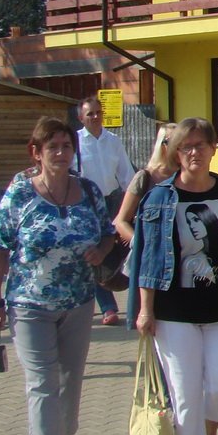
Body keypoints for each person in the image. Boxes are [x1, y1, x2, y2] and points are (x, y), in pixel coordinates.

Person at [0, 117, 117, 435]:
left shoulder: (88, 190)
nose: (61, 153)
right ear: (37, 153)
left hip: (79, 302)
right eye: (53, 147)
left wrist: (101, 251)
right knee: (42, 382)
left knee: (69, 379)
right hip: (29, 304)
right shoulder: (20, 193)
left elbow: (109, 233)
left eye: (66, 146)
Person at [127, 117, 218, 435]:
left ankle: (210, 434)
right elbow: (148, 257)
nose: (194, 152)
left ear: (213, 149)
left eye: (201, 145)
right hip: (173, 312)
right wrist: (145, 309)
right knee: (185, 390)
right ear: (176, 153)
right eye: (186, 146)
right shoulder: (159, 198)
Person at [75, 96, 135, 326]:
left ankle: (113, 295)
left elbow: (126, 173)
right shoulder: (76, 142)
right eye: (90, 113)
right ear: (81, 117)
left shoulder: (113, 140)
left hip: (111, 201)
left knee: (111, 250)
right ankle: (107, 306)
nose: (95, 117)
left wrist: (134, 200)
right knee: (93, 252)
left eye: (98, 112)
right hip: (85, 202)